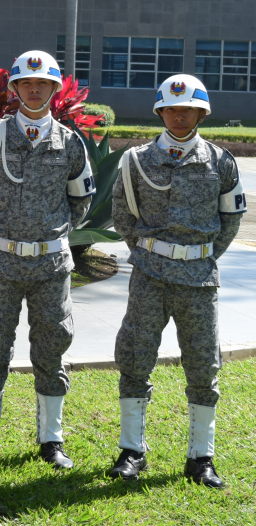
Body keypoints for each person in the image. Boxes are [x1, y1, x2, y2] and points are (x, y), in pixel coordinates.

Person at [0, 50, 93, 470]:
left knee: (51, 349)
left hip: (51, 267)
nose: (35, 90)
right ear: (14, 89)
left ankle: (51, 439)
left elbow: (81, 201)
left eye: (43, 84)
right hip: (0, 263)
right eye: (26, 84)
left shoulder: (70, 143)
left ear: (53, 89)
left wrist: (47, 234)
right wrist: (3, 230)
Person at [107, 74, 245, 487]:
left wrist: (200, 256)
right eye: (172, 108)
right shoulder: (136, 160)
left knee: (204, 364)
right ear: (160, 112)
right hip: (149, 275)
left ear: (201, 113)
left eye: (188, 109)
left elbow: (231, 218)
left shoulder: (220, 161)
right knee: (135, 358)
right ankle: (132, 450)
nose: (180, 115)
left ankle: (201, 457)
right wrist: (153, 253)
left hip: (199, 279)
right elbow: (122, 217)